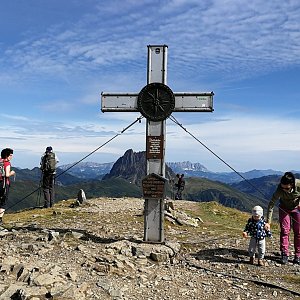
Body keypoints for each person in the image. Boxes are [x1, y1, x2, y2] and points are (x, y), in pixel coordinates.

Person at [265, 172, 300, 264]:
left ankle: (298, 255)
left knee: (299, 232)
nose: (284, 190)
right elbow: (271, 204)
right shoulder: (279, 189)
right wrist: (268, 222)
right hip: (284, 208)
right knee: (285, 231)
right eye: (283, 187)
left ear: (292, 185)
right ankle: (284, 254)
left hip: (297, 209)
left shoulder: (299, 185)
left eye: (287, 188)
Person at [0, 148, 16, 225]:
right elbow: (7, 175)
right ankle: (0, 219)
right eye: (10, 155)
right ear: (7, 155)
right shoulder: (7, 163)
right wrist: (12, 173)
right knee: (3, 201)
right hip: (4, 184)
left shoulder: (0, 161)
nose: (11, 157)